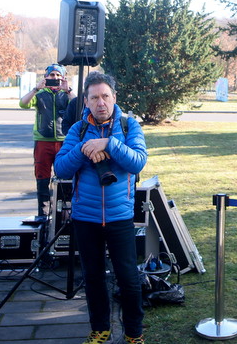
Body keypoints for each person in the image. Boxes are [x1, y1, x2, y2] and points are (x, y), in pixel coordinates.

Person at [54, 72, 147, 344]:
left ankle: (134, 333)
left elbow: (138, 162)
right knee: (93, 278)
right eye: (94, 97)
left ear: (114, 98)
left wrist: (108, 144)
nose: (101, 103)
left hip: (120, 216)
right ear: (86, 101)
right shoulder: (78, 130)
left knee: (128, 278)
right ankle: (100, 330)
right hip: (86, 217)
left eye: (105, 96)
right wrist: (85, 148)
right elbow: (60, 168)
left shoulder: (129, 126)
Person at [19, 64, 75, 217]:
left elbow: (80, 107)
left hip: (64, 141)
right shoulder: (40, 94)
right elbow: (23, 103)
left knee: (65, 179)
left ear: (63, 77)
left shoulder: (67, 94)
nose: (55, 78)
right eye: (52, 75)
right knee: (42, 179)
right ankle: (43, 215)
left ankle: (64, 215)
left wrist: (68, 90)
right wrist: (36, 89)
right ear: (45, 77)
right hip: (43, 141)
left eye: (58, 75)